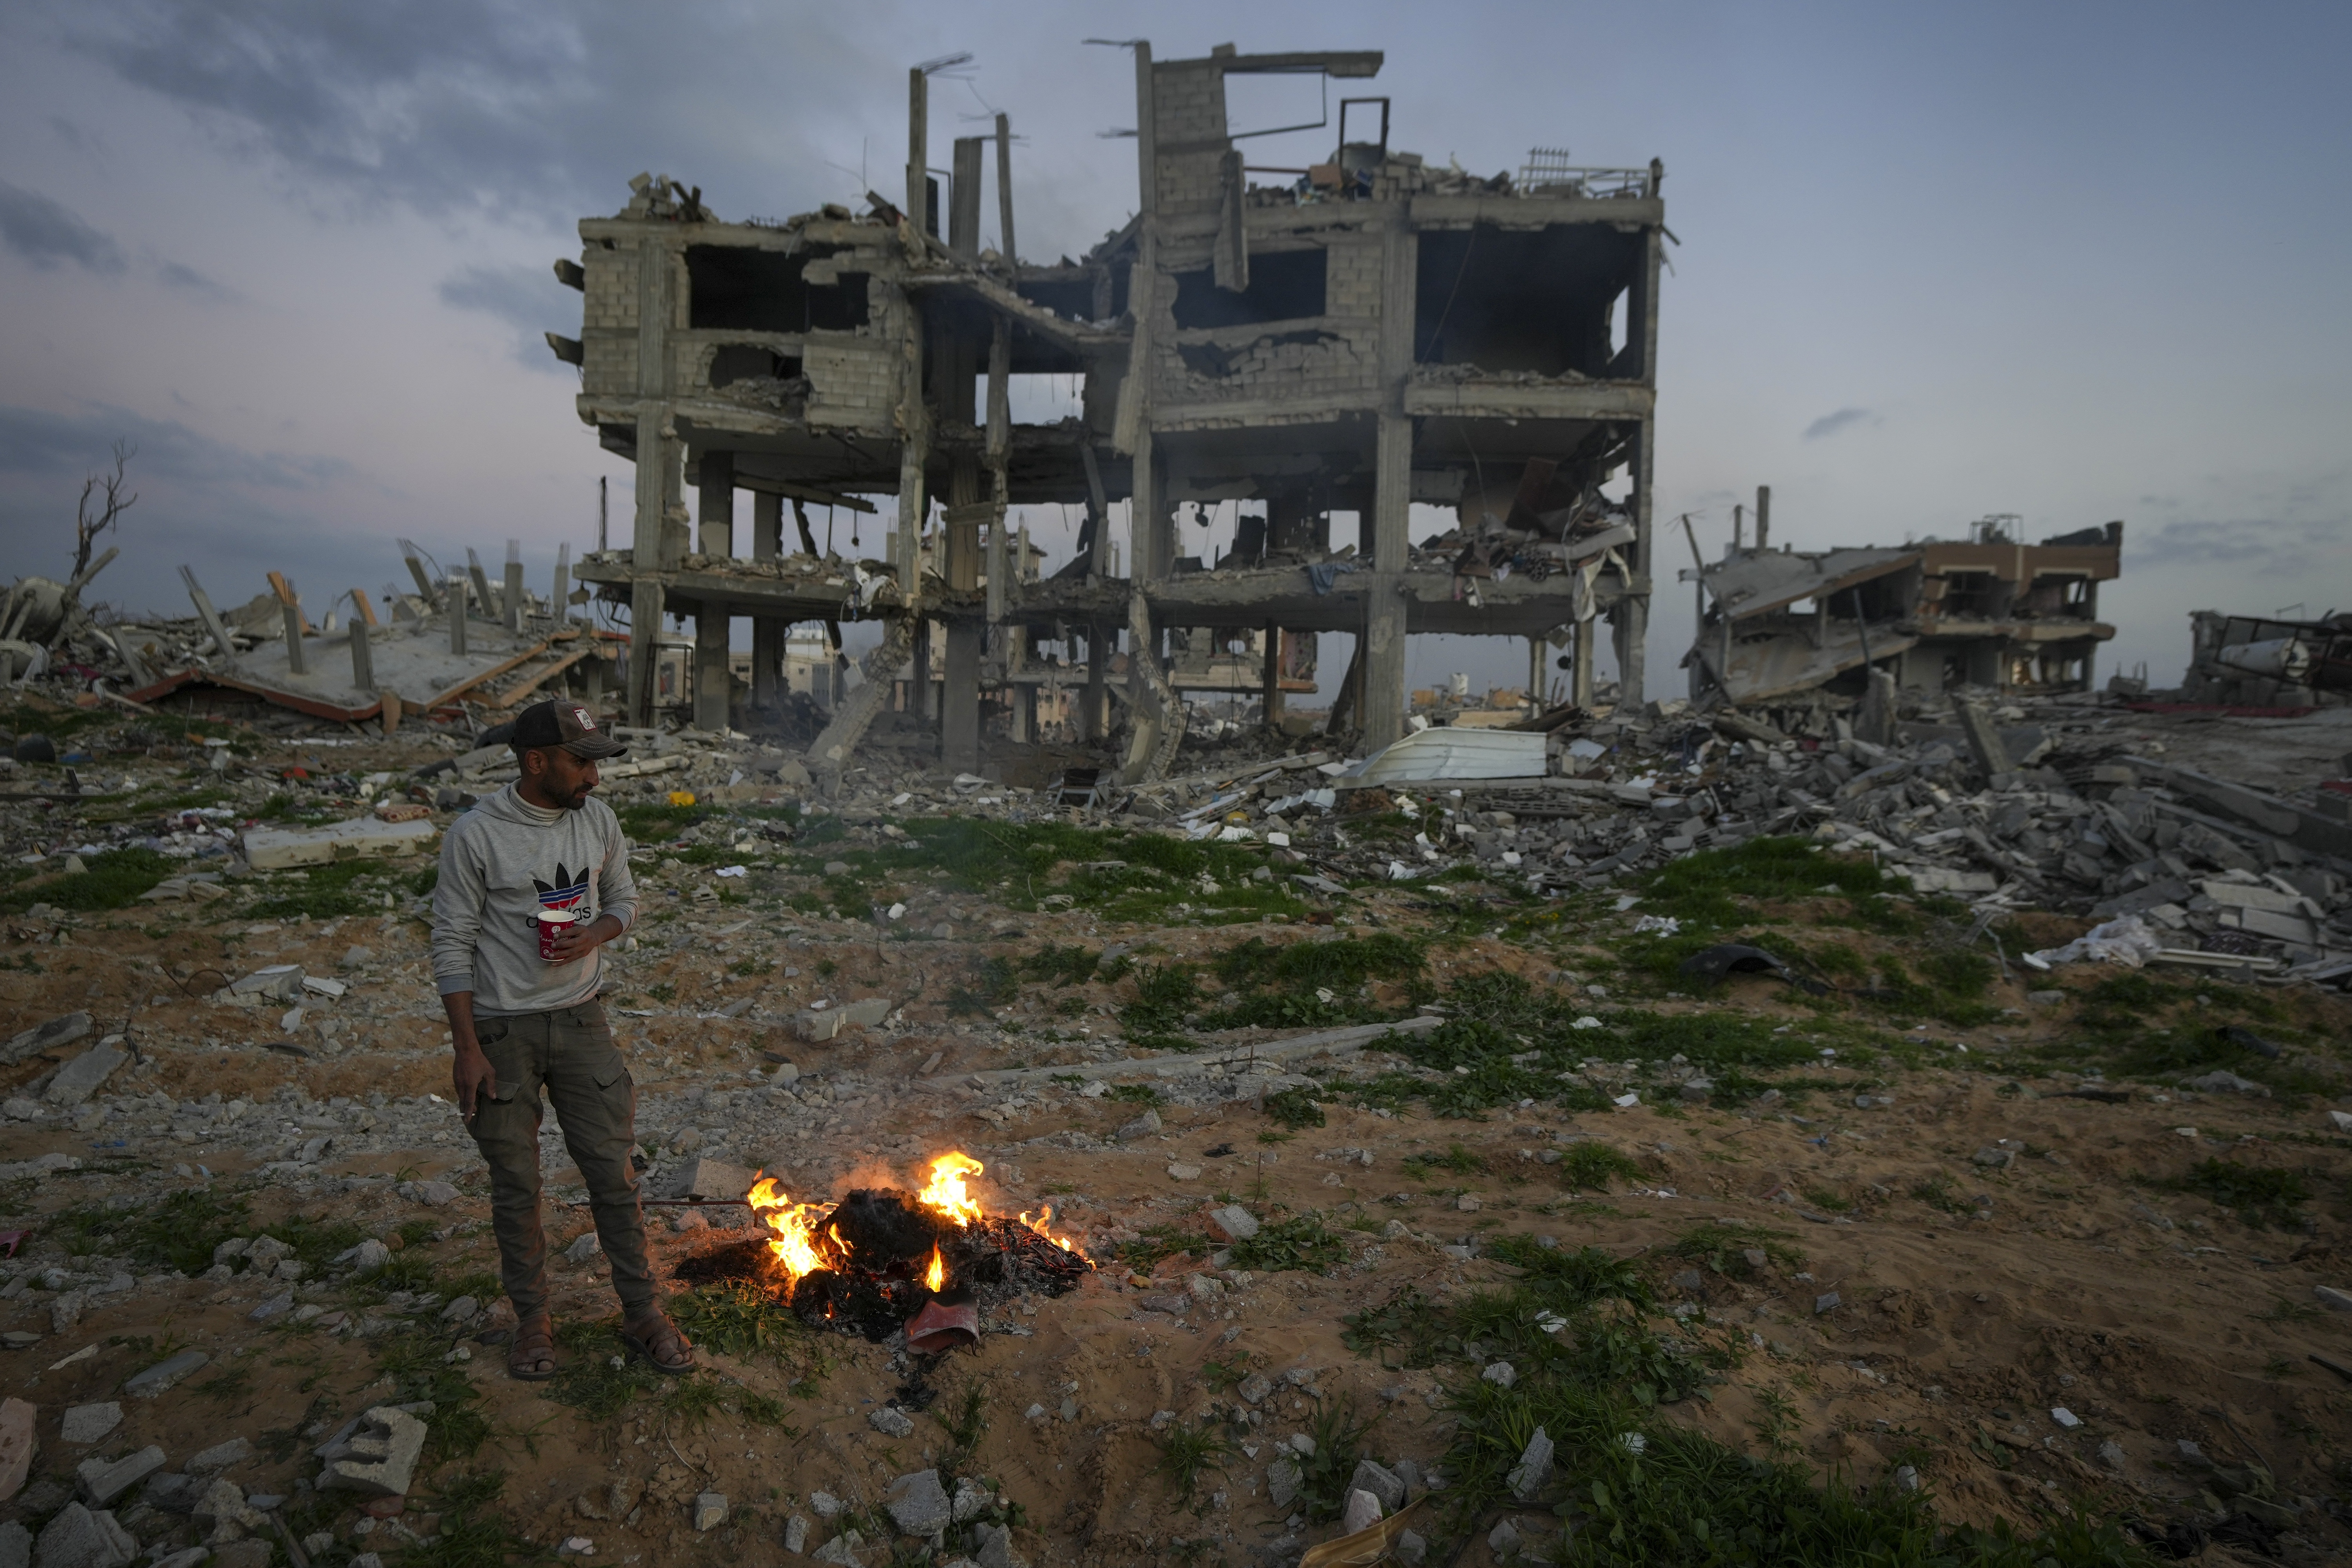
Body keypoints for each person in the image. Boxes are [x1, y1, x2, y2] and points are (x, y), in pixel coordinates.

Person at [428, 699, 692, 1379]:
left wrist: (596, 934)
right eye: (582, 763)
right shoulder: (476, 836)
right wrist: (466, 1048)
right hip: (500, 1029)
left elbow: (625, 900)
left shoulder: (598, 821)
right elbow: (452, 943)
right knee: (516, 1184)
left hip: (582, 1020)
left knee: (613, 1174)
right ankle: (533, 1323)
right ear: (536, 761)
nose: (594, 781)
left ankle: (642, 1312)